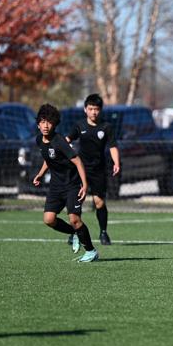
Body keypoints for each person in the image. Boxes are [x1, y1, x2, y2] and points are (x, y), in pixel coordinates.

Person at [31, 104, 99, 262]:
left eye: (49, 122)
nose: (46, 126)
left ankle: (91, 251)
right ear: (38, 124)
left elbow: (78, 161)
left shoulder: (59, 141)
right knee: (49, 219)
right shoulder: (39, 140)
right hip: (56, 186)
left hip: (72, 185)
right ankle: (74, 233)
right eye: (43, 122)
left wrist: (85, 185)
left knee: (74, 219)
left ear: (54, 124)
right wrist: (40, 175)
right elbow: (48, 158)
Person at [66, 93, 120, 246]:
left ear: (100, 110)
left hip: (98, 170)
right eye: (90, 109)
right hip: (81, 169)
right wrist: (62, 148)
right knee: (78, 200)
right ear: (85, 109)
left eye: (96, 109)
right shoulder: (79, 126)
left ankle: (103, 232)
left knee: (99, 202)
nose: (93, 112)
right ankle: (75, 232)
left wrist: (116, 163)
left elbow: (113, 146)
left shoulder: (106, 127)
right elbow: (67, 140)